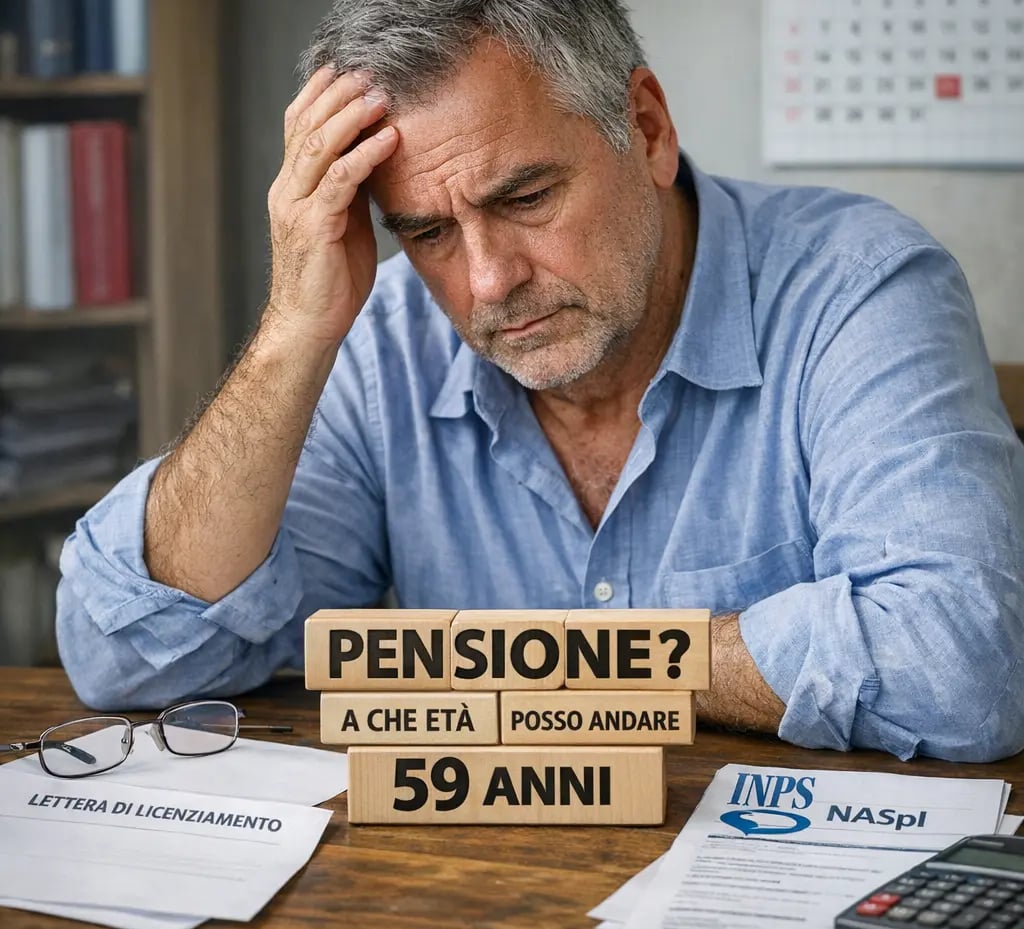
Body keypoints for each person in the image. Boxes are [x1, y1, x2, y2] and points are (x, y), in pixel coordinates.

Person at [56, 0, 1024, 763]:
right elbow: (122, 652)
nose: (486, 282)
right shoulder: (383, 332)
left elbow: (965, 662)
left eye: (523, 198)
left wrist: (567, 664)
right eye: (427, 233)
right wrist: (290, 333)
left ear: (645, 128)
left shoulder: (860, 289)